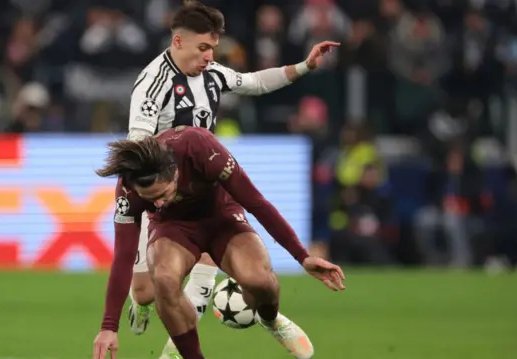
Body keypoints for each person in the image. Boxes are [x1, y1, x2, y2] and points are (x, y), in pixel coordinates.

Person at [119, 1, 339, 355]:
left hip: (204, 187)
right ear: (178, 42)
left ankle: (251, 326)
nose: (210, 57)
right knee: (147, 290)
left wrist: (304, 67)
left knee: (213, 262)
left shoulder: (212, 74)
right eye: (203, 48)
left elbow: (252, 82)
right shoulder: (151, 84)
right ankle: (142, 304)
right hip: (165, 192)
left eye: (213, 49)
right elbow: (137, 147)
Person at [93, 126, 346, 359]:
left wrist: (302, 256)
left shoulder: (201, 148)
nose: (157, 204)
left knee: (258, 280)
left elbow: (256, 203)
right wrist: (109, 327)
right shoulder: (128, 190)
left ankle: (270, 320)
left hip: (222, 218)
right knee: (163, 280)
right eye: (150, 199)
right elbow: (124, 255)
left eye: (161, 194)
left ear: (176, 172)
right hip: (173, 229)